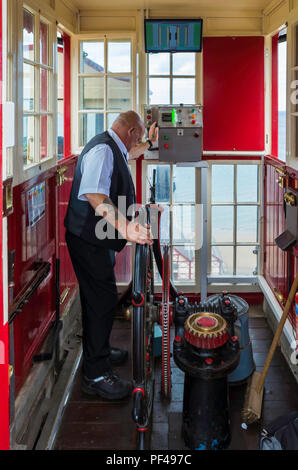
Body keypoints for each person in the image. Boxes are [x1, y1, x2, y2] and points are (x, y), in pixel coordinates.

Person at [64, 111, 159, 400]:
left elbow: (128, 155)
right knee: (102, 300)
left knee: (98, 298)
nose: (137, 143)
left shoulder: (111, 146)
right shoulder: (104, 150)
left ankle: (100, 351)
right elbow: (95, 196)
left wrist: (151, 145)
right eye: (139, 137)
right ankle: (95, 375)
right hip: (87, 239)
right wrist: (128, 228)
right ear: (130, 131)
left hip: (93, 238)